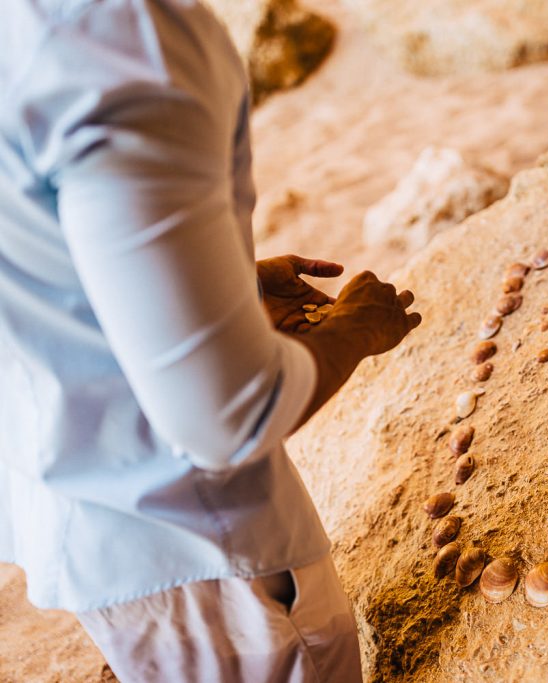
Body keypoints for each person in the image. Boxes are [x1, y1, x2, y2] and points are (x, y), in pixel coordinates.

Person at [0, 0, 421, 680]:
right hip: (194, 547)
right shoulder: (123, 47)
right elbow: (226, 413)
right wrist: (356, 329)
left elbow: (35, 253)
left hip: (75, 497)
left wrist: (208, 290)